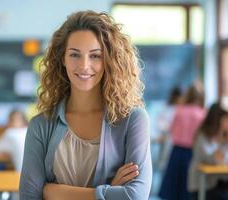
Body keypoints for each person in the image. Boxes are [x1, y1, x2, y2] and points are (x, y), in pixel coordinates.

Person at [19, 10, 152, 200]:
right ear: (62, 59)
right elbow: (29, 197)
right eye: (74, 55)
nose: (84, 65)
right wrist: (109, 190)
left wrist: (53, 192)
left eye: (95, 56)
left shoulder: (133, 120)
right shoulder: (40, 125)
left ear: (109, 60)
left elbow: (135, 196)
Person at [159, 81, 206, 200]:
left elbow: (171, 130)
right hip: (192, 153)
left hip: (177, 151)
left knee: (173, 187)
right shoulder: (202, 114)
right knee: (187, 188)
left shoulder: (179, 110)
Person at [188, 102, 228, 200]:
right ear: (217, 119)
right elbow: (214, 160)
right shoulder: (203, 136)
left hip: (221, 181)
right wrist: (226, 143)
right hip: (204, 186)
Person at [157, 86, 183, 170]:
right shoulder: (167, 108)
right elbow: (160, 124)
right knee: (164, 165)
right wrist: (169, 128)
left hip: (176, 141)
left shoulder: (181, 109)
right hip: (167, 138)